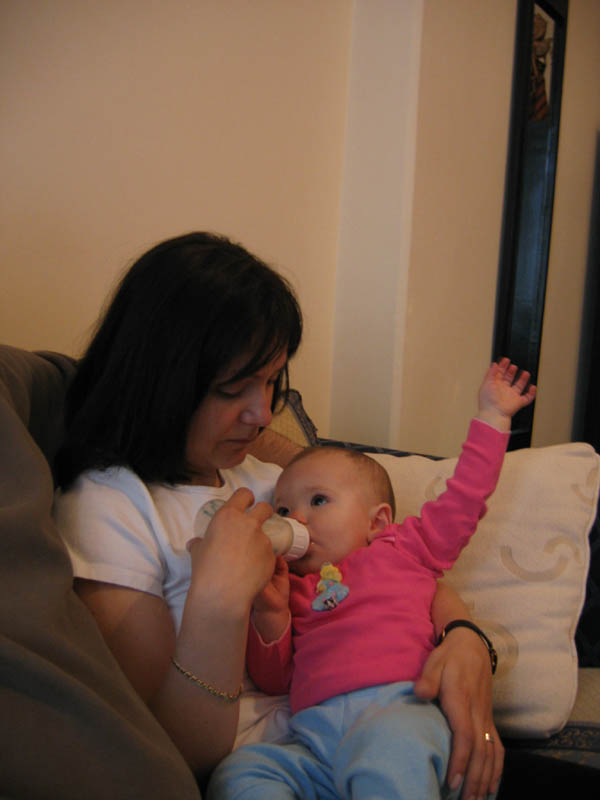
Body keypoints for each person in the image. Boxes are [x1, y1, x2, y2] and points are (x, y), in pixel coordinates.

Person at [53, 231, 504, 797]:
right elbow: (173, 752)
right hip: (281, 760)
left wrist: (465, 638)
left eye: (271, 382)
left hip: (384, 723)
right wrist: (219, 602)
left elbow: (398, 569)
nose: (264, 413)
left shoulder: (278, 484)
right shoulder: (110, 508)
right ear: (163, 378)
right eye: (235, 389)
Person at [208, 359, 535, 799]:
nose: (296, 518)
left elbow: (464, 498)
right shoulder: (290, 586)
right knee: (239, 773)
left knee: (390, 755)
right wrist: (270, 616)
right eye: (283, 510)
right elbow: (274, 680)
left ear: (377, 522)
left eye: (318, 501)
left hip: (401, 712)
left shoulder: (404, 550)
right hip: (314, 740)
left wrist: (493, 417)